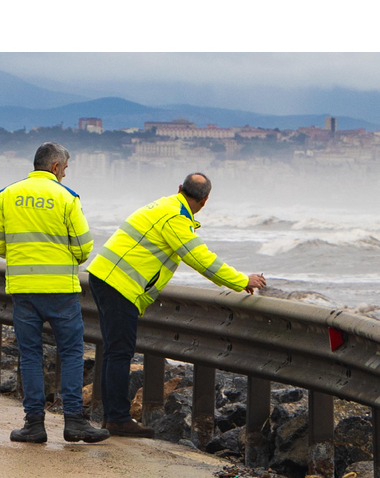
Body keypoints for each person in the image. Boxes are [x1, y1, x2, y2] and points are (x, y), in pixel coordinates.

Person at [85, 172, 266, 437]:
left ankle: (114, 416)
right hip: (118, 284)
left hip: (106, 277)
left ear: (180, 188)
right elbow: (200, 258)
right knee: (119, 351)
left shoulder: (164, 205)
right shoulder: (175, 218)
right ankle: (117, 419)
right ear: (205, 201)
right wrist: (240, 280)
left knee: (115, 350)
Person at [0, 142, 110, 444]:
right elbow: (83, 247)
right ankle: (74, 423)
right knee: (70, 353)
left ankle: (34, 424)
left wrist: (24, 257)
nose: (65, 175)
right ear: (55, 167)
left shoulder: (8, 194)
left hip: (23, 290)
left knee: (30, 355)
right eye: (65, 169)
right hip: (59, 291)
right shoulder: (66, 197)